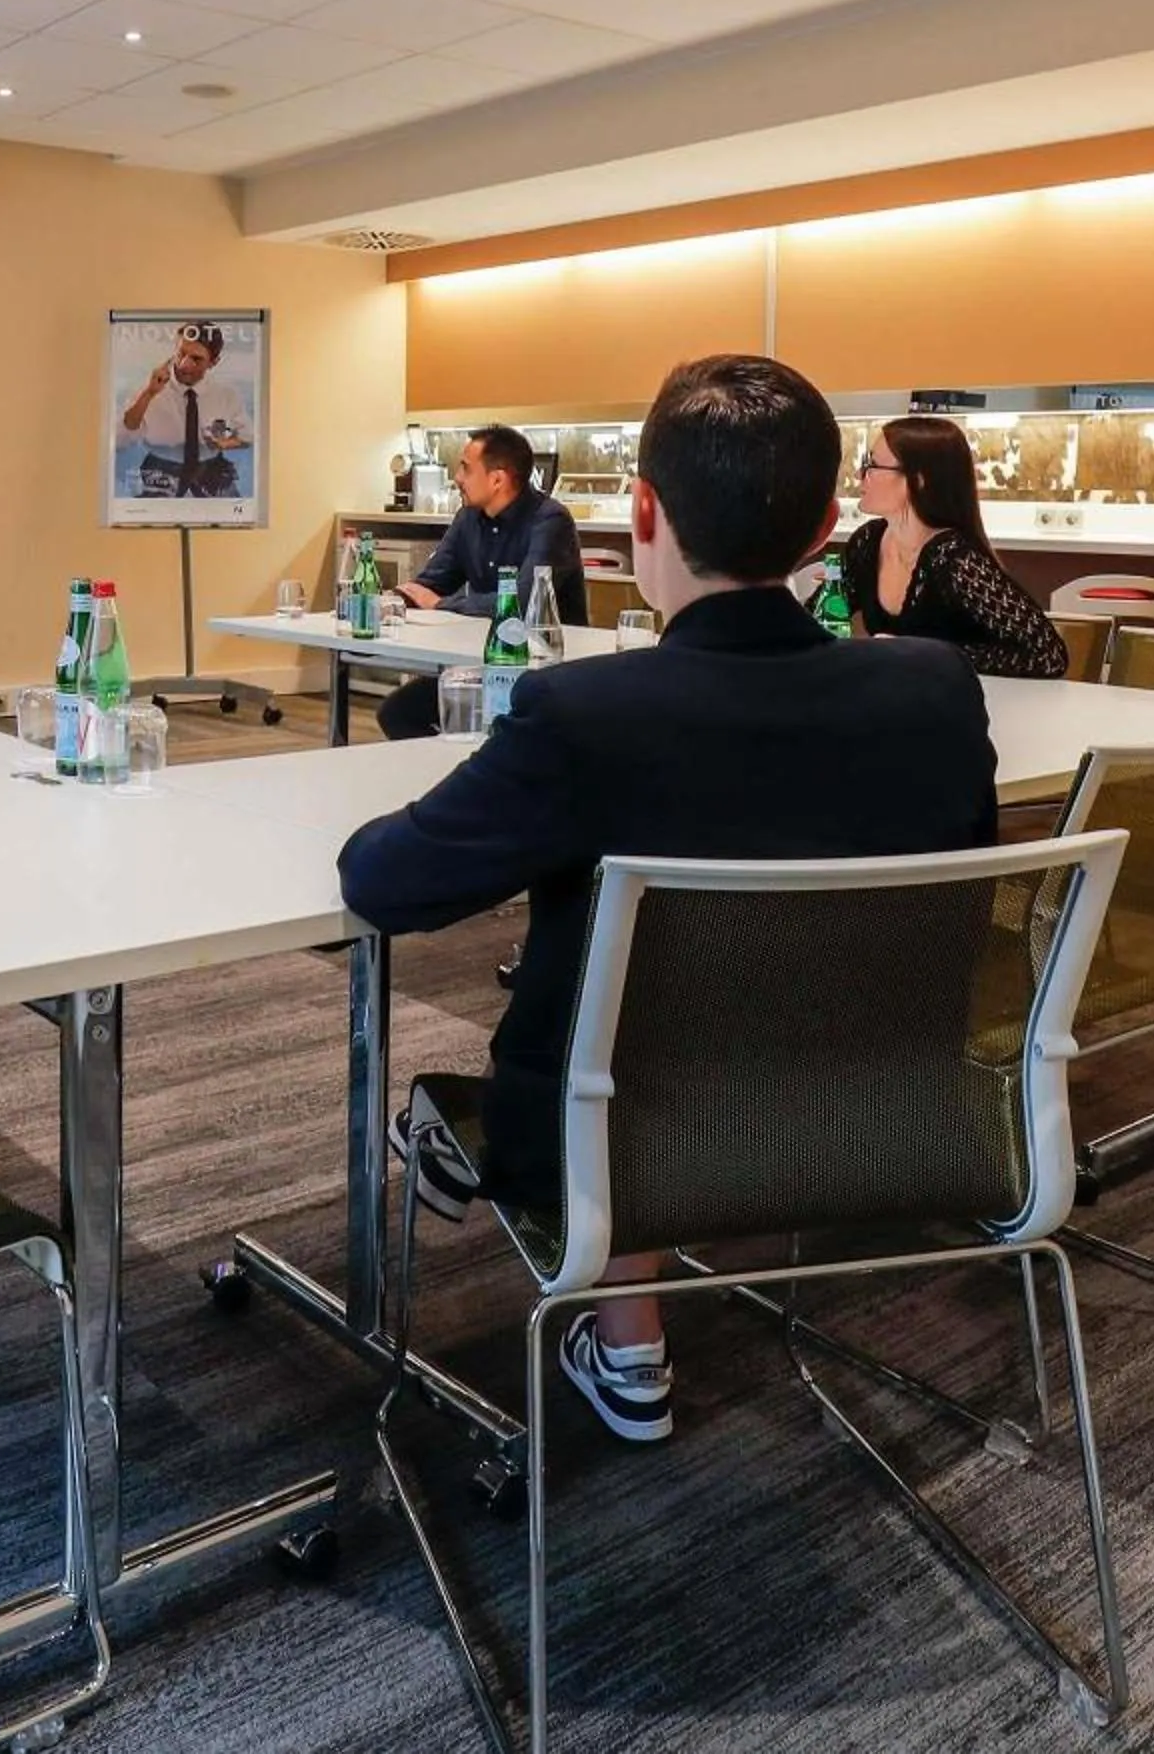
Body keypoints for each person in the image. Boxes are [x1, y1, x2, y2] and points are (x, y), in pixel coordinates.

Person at [339, 355, 997, 1444]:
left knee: (595, 1045)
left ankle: (601, 1292)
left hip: (613, 1134)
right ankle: (615, 1310)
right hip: (885, 1116)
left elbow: (385, 885)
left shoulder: (583, 714)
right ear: (826, 524)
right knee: (693, 1017)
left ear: (641, 509)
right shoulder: (933, 688)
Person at [377, 424, 587, 741]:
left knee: (499, 730)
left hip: (543, 672)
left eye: (465, 468)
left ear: (497, 479)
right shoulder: (468, 518)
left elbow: (521, 604)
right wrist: (388, 602)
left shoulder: (550, 520)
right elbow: (430, 583)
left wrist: (442, 604)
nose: (457, 478)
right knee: (398, 712)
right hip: (483, 665)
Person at [838, 416, 1067, 680]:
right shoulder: (868, 541)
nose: (860, 475)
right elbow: (821, 615)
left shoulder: (954, 559)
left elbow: (1048, 656)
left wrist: (923, 654)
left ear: (918, 480)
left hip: (967, 703)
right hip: (901, 698)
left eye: (872, 465)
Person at [119, 321, 252, 498]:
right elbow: (125, 433)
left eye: (196, 359)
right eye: (180, 354)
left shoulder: (226, 395)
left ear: (214, 362)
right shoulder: (149, 387)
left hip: (212, 471)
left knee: (236, 516)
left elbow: (248, 437)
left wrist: (224, 443)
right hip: (160, 472)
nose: (184, 365)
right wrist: (149, 393)